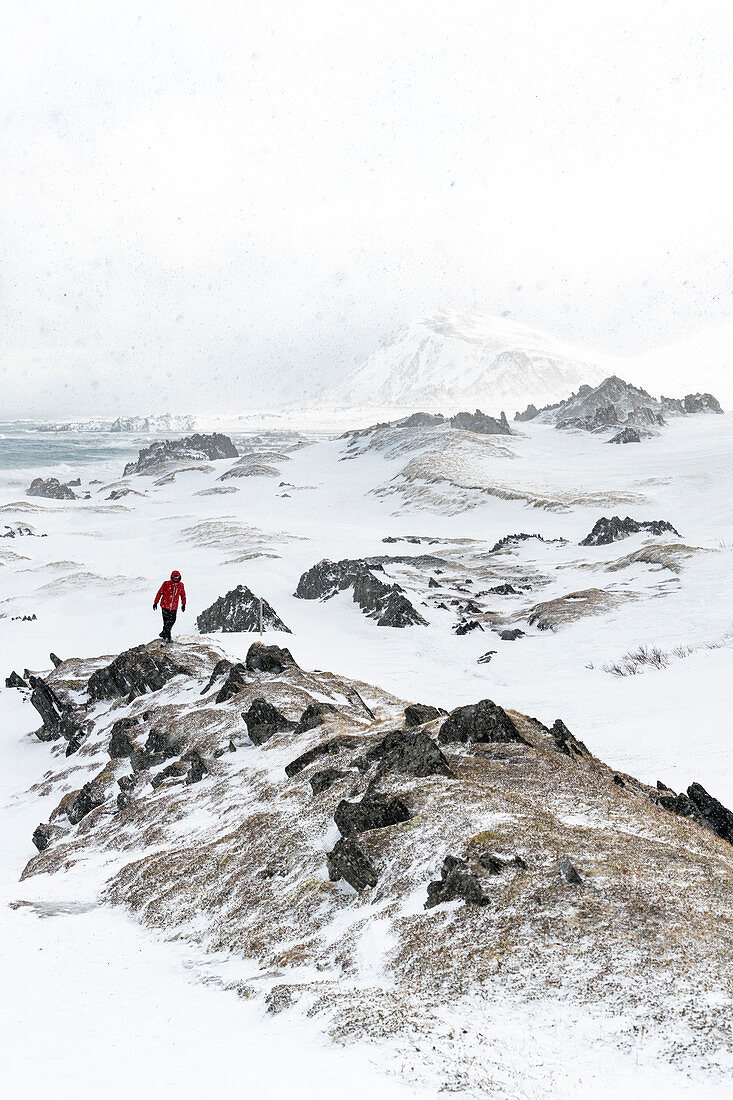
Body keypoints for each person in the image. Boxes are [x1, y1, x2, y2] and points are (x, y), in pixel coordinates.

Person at [153, 570, 186, 641]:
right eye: (174, 577)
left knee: (172, 621)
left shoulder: (181, 585)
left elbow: (183, 595)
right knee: (166, 622)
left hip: (174, 607)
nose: (176, 579)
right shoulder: (166, 584)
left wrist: (183, 604)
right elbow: (159, 593)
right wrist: (156, 602)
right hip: (165, 606)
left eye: (177, 577)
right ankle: (167, 637)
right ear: (171, 577)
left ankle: (164, 632)